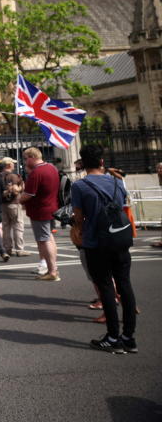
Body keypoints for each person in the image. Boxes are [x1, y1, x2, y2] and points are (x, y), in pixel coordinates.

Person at [71, 144, 138, 353]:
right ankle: (129, 336)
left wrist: (77, 226)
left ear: (82, 164)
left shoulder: (80, 186)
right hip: (120, 238)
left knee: (106, 287)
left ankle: (112, 336)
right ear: (102, 161)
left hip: (96, 241)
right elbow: (121, 203)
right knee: (125, 284)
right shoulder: (117, 182)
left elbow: (80, 218)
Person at [19, 148, 61, 280]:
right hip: (51, 208)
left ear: (32, 157)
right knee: (49, 238)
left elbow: (28, 194)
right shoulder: (51, 167)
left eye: (26, 159)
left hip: (40, 210)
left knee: (44, 240)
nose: (25, 162)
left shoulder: (37, 172)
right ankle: (53, 268)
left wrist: (17, 198)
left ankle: (52, 271)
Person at [0, 157, 27, 256]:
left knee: (6, 227)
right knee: (18, 226)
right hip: (14, 203)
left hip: (2, 204)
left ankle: (7, 248)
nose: (14, 165)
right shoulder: (13, 176)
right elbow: (15, 190)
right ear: (9, 165)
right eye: (13, 163)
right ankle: (19, 249)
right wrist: (21, 188)